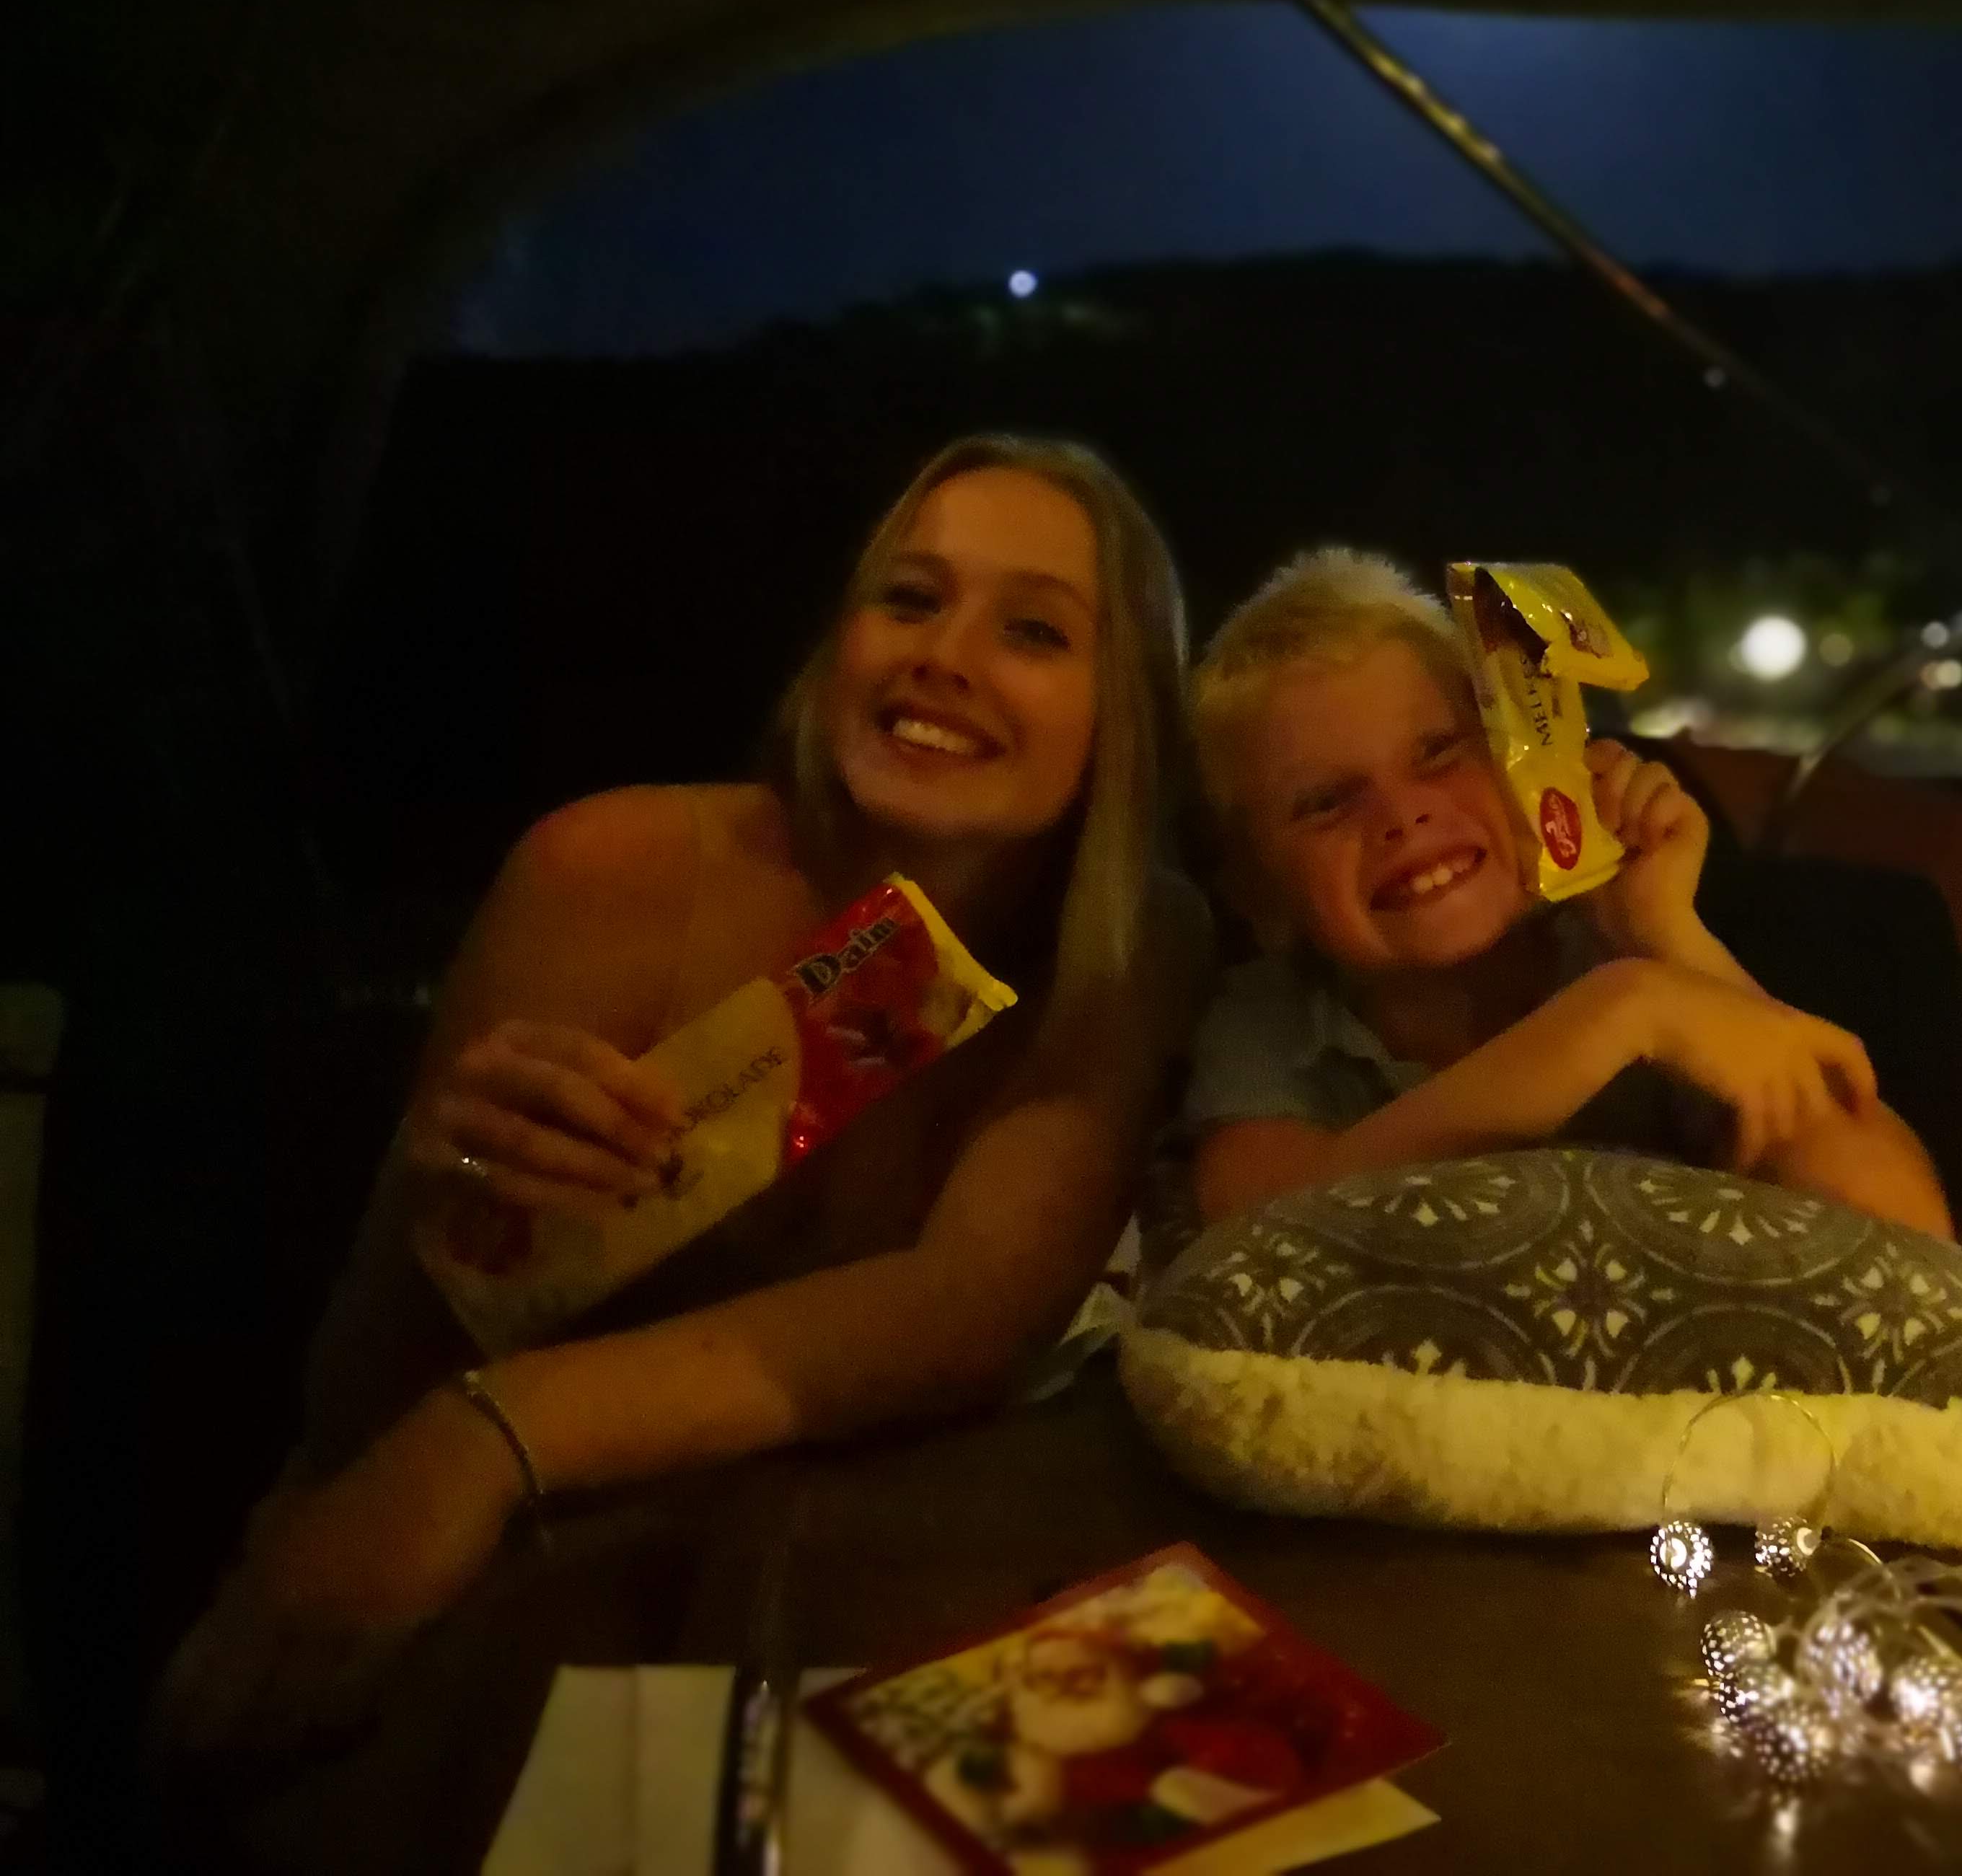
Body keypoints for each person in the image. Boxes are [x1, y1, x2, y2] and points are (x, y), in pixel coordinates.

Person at [159, 435, 1210, 1751]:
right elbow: (366, 1406)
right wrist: (435, 1197)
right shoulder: (611, 873)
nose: (944, 654)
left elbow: (964, 1313)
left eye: (1034, 631)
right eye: (909, 598)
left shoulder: (1131, 947)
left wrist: (497, 1433)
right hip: (484, 1571)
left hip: (798, 1583)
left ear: (1125, 719)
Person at [1176, 549, 1950, 1235]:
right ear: (1256, 889)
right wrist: (1619, 1016)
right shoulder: (1272, 1021)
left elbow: (1902, 1233)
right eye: (1325, 802)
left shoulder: (1628, 956)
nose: (1402, 815)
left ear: (1521, 753)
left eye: (1439, 751)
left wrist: (1665, 937)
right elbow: (1256, 1228)